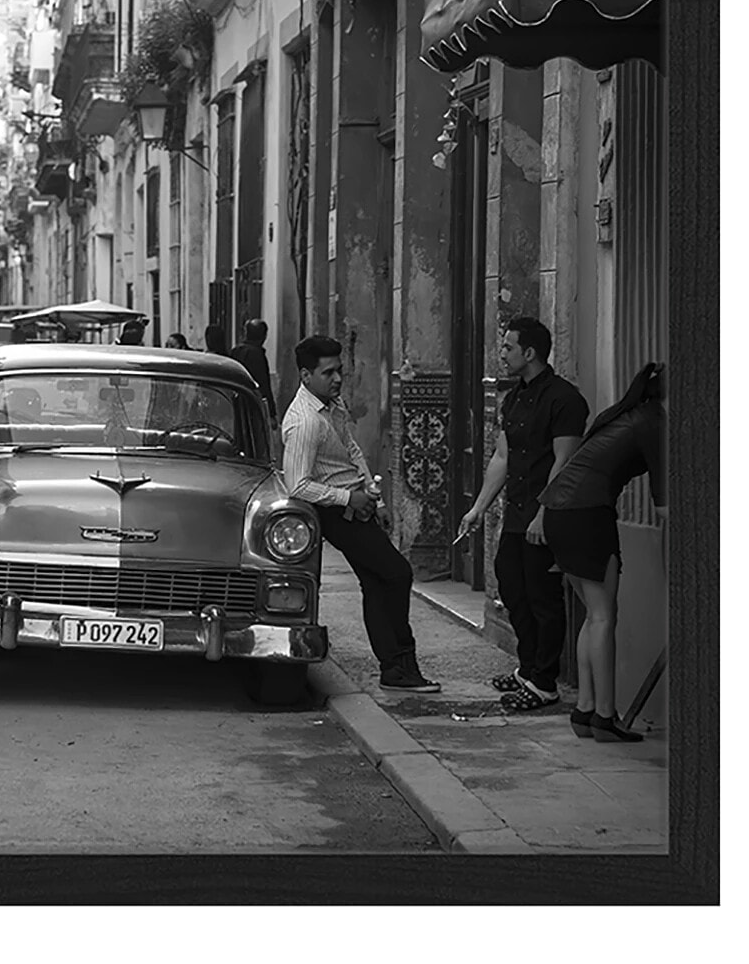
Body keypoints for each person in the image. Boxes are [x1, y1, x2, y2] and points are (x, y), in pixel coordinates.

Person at [282, 333, 441, 693]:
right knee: (396, 575)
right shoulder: (305, 421)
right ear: (306, 376)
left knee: (377, 582)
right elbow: (297, 485)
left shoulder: (332, 405)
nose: (337, 379)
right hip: (336, 512)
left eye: (340, 370)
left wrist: (375, 499)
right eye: (328, 373)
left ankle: (396, 668)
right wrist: (347, 499)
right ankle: (400, 664)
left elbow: (351, 450)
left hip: (356, 503)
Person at [456, 317, 588, 714]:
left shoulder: (565, 399)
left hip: (545, 513)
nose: (501, 353)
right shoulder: (512, 398)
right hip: (515, 511)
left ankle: (544, 681)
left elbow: (564, 462)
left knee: (543, 598)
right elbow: (502, 456)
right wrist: (478, 507)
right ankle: (527, 668)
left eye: (508, 347)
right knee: (511, 587)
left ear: (529, 353)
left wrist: (544, 514)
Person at [539, 362, 665, 742]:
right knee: (604, 617)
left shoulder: (628, 414)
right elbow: (665, 506)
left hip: (559, 513)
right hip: (587, 515)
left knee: (592, 616)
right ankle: (606, 717)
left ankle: (586, 711)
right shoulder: (654, 423)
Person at [230, 318, 279, 427]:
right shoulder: (258, 355)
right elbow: (264, 384)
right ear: (264, 336)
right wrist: (271, 413)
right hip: (252, 404)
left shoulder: (236, 351)